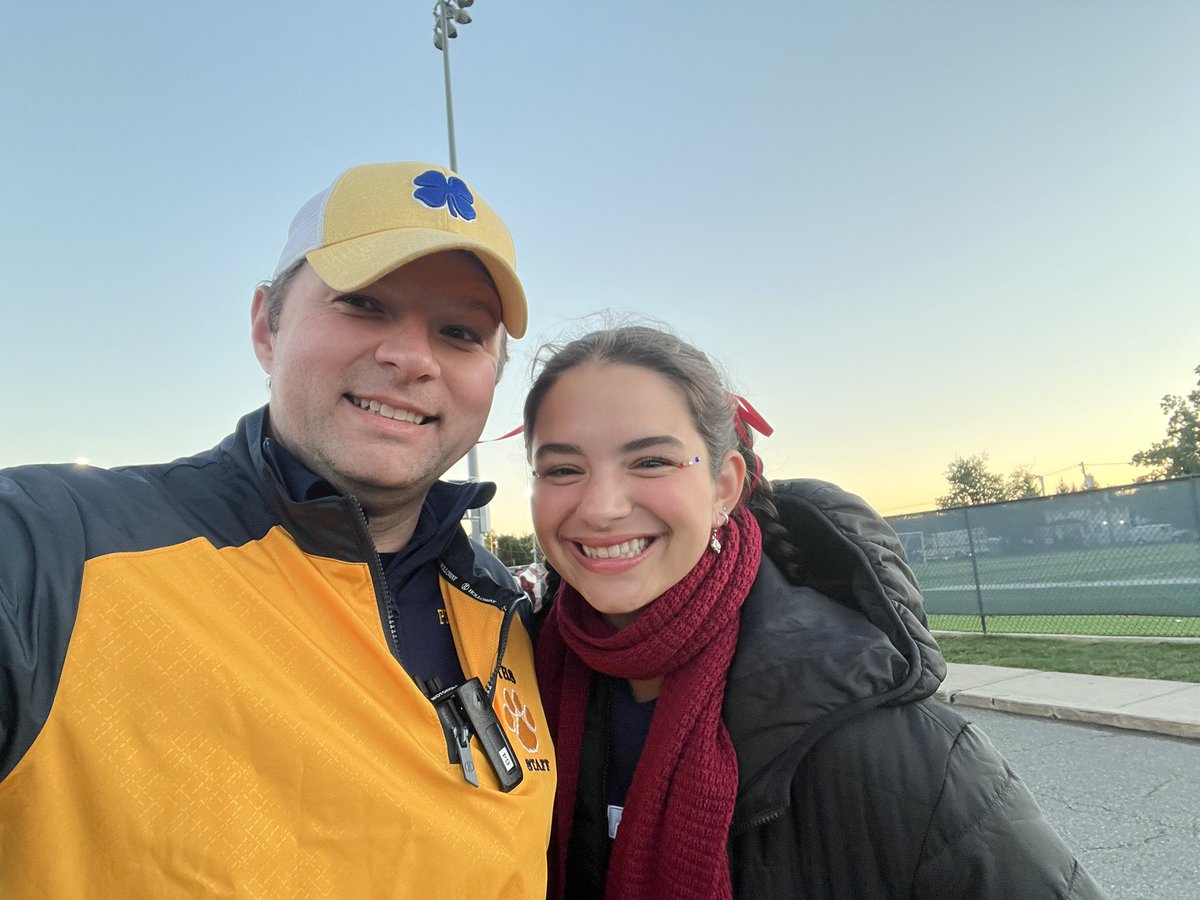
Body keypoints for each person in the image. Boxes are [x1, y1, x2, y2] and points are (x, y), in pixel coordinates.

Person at [0, 162, 555, 898]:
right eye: (364, 303)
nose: (412, 358)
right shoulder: (56, 553)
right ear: (268, 327)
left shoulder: (505, 606)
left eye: (461, 332)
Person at [524, 325, 1106, 900]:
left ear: (723, 486)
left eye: (651, 461)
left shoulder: (889, 748)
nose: (600, 508)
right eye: (563, 470)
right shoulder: (512, 692)